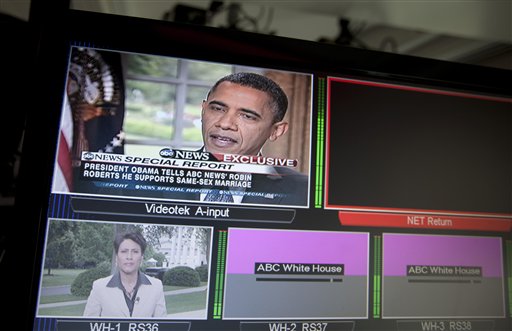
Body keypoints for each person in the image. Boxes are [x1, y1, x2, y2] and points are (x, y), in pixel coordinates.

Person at [195, 72, 308, 205]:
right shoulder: (164, 174)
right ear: (203, 110)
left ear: (276, 131)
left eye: (247, 116)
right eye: (218, 109)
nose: (224, 124)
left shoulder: (303, 191)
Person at [83, 231, 167, 318]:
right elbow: (87, 326)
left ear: (141, 258)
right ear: (116, 257)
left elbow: (162, 326)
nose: (129, 257)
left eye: (135, 251)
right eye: (124, 251)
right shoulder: (99, 287)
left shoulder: (156, 287)